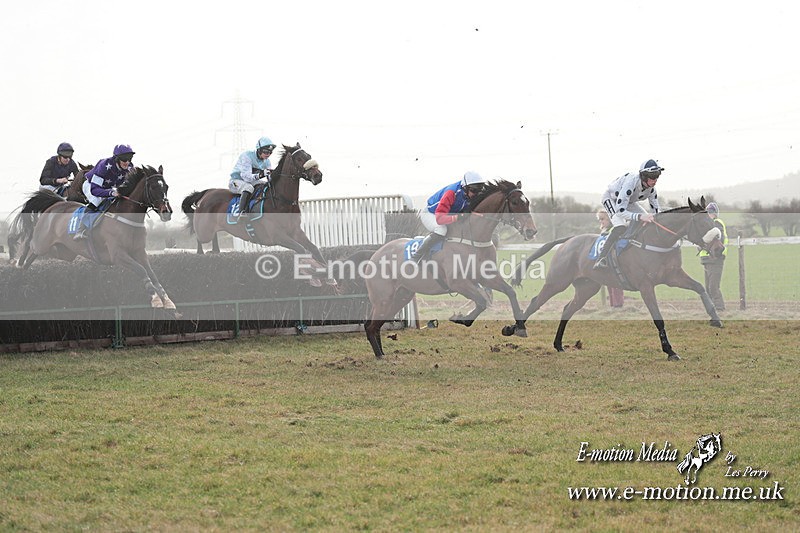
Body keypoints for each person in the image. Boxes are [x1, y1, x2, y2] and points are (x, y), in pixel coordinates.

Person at [593, 159, 663, 269]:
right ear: (644, 176)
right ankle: (602, 258)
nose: (655, 179)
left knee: (650, 222)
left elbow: (657, 212)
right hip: (611, 199)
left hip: (628, 202)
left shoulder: (652, 190)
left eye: (657, 175)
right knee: (620, 226)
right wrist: (640, 216)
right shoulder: (631, 183)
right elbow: (621, 212)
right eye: (652, 176)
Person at [411, 171, 487, 262]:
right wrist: (458, 217)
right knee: (442, 230)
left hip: (447, 214)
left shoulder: (468, 194)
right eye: (474, 190)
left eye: (480, 190)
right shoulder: (451, 193)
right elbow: (440, 219)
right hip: (431, 214)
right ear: (465, 188)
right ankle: (416, 256)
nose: (476, 194)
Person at [74, 144, 135, 240]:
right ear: (117, 159)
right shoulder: (104, 165)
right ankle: (80, 229)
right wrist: (111, 193)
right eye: (124, 159)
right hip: (91, 185)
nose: (127, 162)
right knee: (97, 201)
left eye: (130, 159)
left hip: (109, 187)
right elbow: (94, 190)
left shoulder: (130, 168)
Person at [229, 136, 275, 219]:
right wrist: (260, 175)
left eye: (270, 152)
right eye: (265, 151)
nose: (268, 154)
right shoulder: (247, 156)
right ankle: (241, 212)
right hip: (236, 181)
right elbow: (246, 177)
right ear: (259, 149)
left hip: (250, 181)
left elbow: (269, 178)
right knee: (248, 188)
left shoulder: (267, 161)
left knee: (265, 185)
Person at [699, 202, 727, 311]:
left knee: (713, 287)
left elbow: (712, 238)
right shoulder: (708, 225)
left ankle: (720, 308)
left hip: (716, 258)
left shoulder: (717, 224)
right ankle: (712, 309)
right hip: (706, 259)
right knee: (708, 287)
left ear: (715, 214)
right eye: (708, 213)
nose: (709, 215)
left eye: (711, 213)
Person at [596, 209, 625, 307]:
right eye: (599, 219)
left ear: (609, 219)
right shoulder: (604, 230)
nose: (601, 221)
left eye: (603, 219)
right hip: (606, 261)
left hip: (615, 260)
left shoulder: (614, 229)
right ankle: (613, 305)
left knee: (615, 284)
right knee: (609, 284)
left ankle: (618, 305)